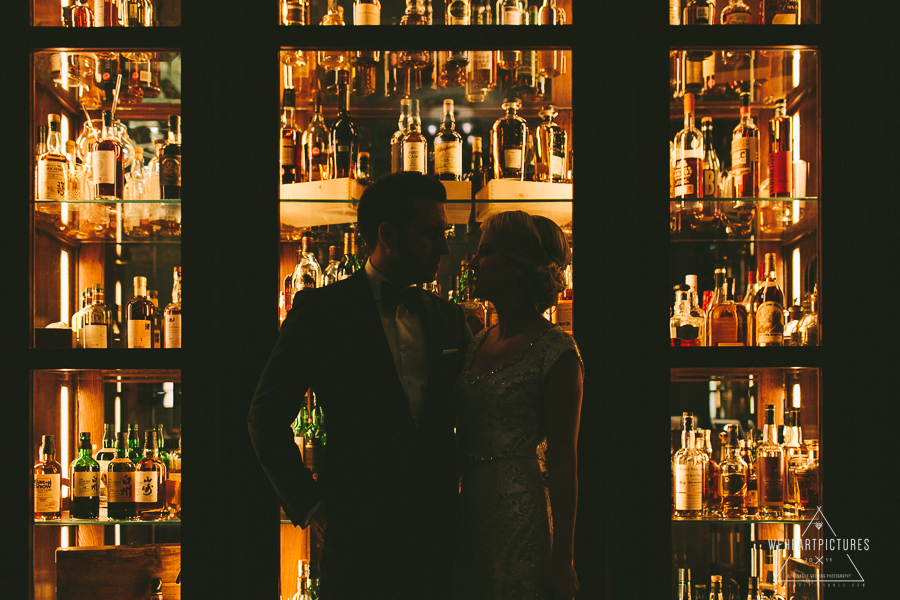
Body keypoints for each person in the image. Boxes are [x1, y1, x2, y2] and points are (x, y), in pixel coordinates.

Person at [248, 172, 471, 600]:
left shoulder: (450, 318)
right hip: (357, 543)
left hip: (440, 539)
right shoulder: (321, 312)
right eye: (431, 233)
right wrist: (310, 506)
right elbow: (264, 418)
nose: (445, 247)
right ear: (387, 234)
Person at [449, 211, 583, 600]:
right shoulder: (478, 340)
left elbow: (563, 463)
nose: (473, 261)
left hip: (520, 509)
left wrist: (563, 559)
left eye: (486, 252)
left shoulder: (556, 351)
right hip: (469, 510)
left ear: (521, 266)